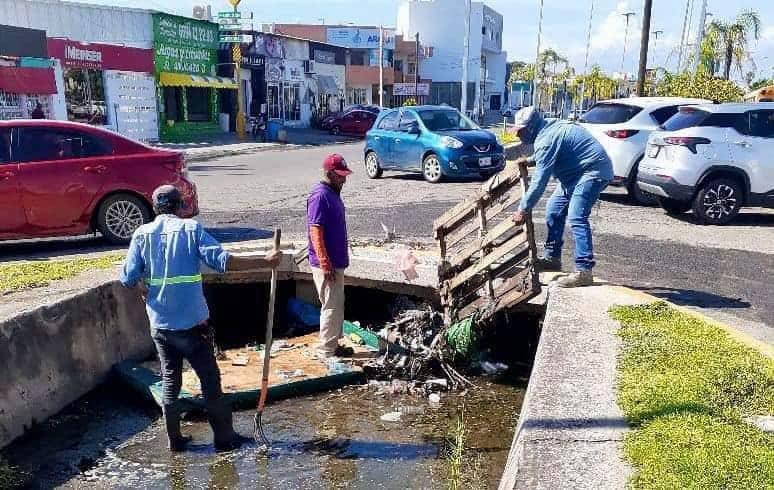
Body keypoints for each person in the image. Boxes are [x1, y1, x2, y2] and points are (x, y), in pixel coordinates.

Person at [120, 185, 281, 452]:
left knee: (170, 381)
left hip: (160, 325)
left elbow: (127, 277)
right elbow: (223, 261)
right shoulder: (190, 230)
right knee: (210, 382)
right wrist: (265, 261)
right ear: (180, 206)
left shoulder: (141, 235)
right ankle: (224, 439)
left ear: (154, 207)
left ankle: (175, 440)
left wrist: (141, 286)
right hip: (193, 326)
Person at [511, 106, 613, 288]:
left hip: (592, 172)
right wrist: (531, 160)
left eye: (521, 131)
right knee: (554, 210)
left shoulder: (547, 139)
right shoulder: (548, 128)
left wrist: (523, 209)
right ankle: (552, 258)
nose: (518, 135)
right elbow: (551, 151)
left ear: (532, 127)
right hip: (574, 175)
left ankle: (584, 271)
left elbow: (539, 182)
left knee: (577, 216)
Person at [307, 154, 355, 359]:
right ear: (329, 174)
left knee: (336, 303)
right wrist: (325, 263)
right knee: (331, 306)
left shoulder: (333, 193)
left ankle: (334, 344)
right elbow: (315, 231)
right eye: (340, 176)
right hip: (327, 263)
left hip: (336, 261)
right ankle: (326, 350)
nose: (344, 179)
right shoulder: (320, 196)